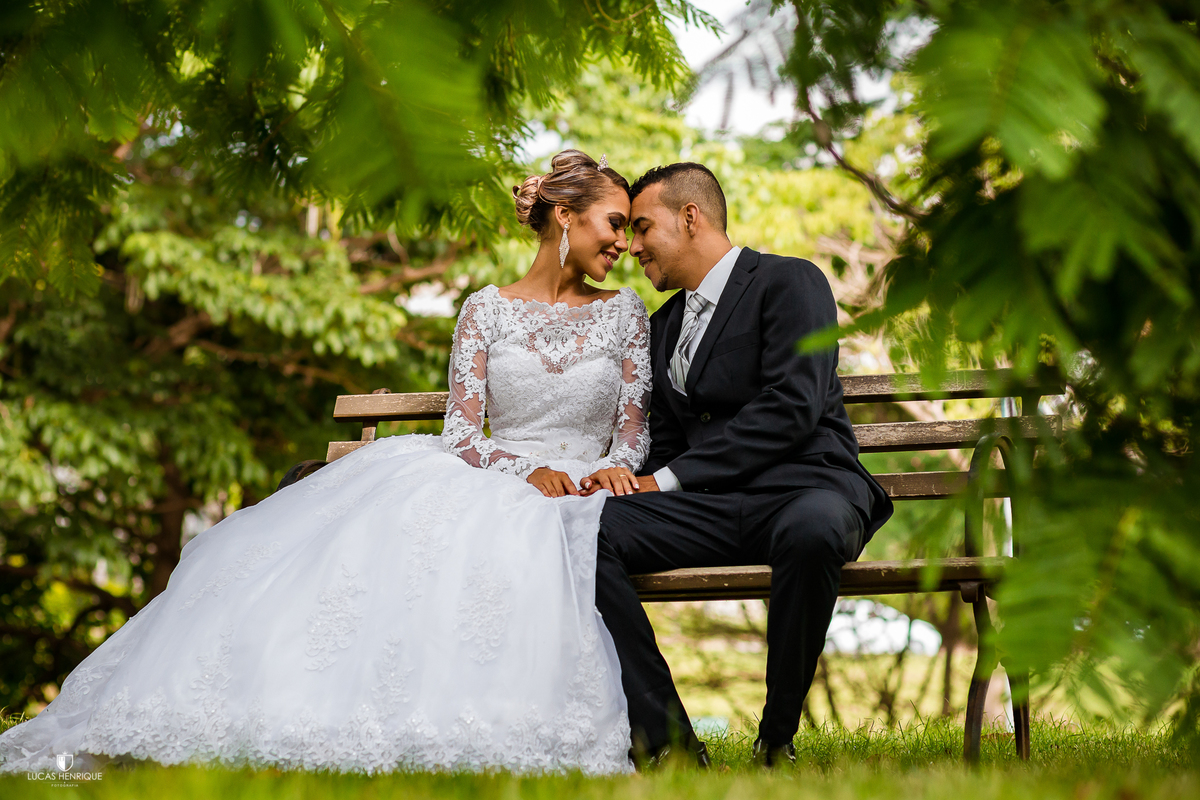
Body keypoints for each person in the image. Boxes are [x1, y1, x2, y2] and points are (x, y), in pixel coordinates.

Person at [0, 150, 650, 775]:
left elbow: (632, 430)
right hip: (498, 475)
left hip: (585, 490)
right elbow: (461, 430)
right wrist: (523, 473)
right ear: (565, 216)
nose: (625, 242)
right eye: (615, 223)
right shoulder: (485, 308)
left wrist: (610, 470)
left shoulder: (624, 311)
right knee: (399, 535)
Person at [587, 162, 895, 767]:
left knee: (813, 531)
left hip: (806, 487)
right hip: (708, 507)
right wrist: (624, 478)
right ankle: (669, 740)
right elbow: (669, 442)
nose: (633, 246)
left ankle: (775, 739)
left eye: (644, 226)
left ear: (690, 216)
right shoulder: (661, 326)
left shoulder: (790, 281)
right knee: (583, 532)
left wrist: (665, 480)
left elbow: (793, 405)